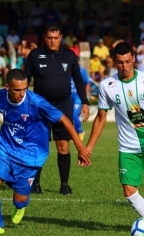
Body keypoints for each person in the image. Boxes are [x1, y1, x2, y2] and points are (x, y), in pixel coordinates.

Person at [0, 69, 91, 235]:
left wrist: (80, 147)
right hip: (4, 148)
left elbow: (64, 119)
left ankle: (20, 207)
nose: (22, 93)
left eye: (25, 89)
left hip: (31, 155)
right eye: (17, 90)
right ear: (7, 87)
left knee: (19, 201)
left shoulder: (36, 102)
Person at [85, 42, 144, 228]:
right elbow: (101, 117)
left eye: (128, 61)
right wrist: (89, 147)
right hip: (129, 147)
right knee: (128, 190)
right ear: (114, 61)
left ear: (134, 59)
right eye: (120, 62)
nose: (124, 66)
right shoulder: (107, 85)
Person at [25, 22, 90, 195]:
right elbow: (25, 80)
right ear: (44, 38)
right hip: (40, 105)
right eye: (49, 38)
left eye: (56, 38)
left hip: (64, 105)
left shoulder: (69, 56)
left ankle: (64, 184)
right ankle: (35, 183)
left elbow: (78, 80)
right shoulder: (34, 55)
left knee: (63, 145)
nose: (53, 41)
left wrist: (85, 102)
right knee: (39, 145)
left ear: (61, 38)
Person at [71, 62, 90, 141]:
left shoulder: (81, 71)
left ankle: (81, 131)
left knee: (74, 114)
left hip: (78, 97)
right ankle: (75, 134)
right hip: (68, 96)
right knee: (69, 116)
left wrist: (84, 97)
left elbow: (87, 83)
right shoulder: (65, 70)